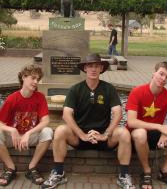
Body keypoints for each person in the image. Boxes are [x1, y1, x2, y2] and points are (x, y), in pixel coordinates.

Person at [41, 53, 135, 189]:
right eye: (90, 66)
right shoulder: (75, 89)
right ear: (85, 69)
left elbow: (118, 113)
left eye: (97, 66)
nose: (93, 69)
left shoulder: (109, 88)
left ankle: (124, 176)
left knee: (124, 133)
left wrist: (106, 134)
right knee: (61, 130)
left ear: (101, 69)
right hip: (80, 138)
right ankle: (58, 173)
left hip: (104, 138)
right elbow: (67, 114)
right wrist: (81, 135)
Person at [126, 62, 167, 189]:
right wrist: (160, 128)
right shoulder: (137, 91)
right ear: (154, 73)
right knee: (140, 133)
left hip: (155, 135)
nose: (163, 79)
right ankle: (146, 171)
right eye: (161, 74)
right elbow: (131, 121)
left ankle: (165, 171)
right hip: (135, 137)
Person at [0, 65, 53, 186]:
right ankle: (10, 168)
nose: (36, 82)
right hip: (14, 139)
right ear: (24, 77)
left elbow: (45, 121)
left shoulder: (40, 97)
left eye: (37, 79)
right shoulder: (12, 99)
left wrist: (29, 133)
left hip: (30, 138)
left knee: (48, 132)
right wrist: (12, 130)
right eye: (33, 78)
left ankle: (32, 168)